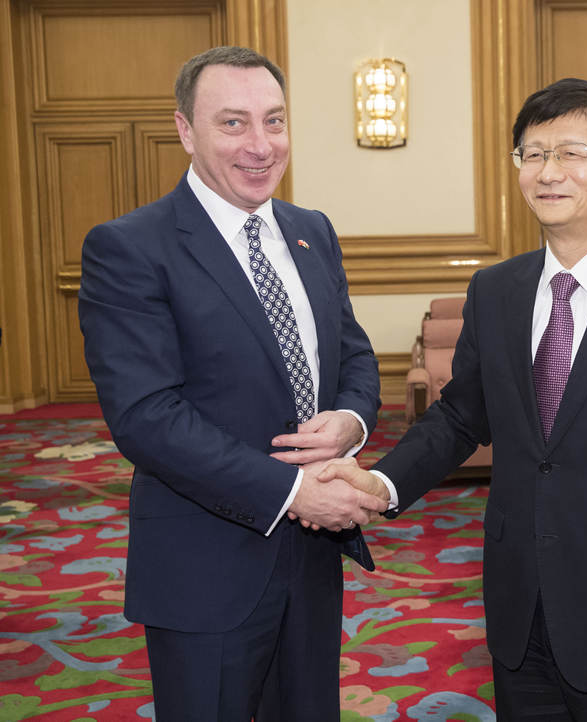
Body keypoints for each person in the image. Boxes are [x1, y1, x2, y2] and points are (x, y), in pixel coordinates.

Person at [313, 78, 587, 720]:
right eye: (532, 154)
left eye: (572, 153)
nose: (548, 171)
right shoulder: (496, 292)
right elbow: (462, 415)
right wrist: (382, 484)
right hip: (518, 605)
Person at [78, 46, 387, 721]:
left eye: (274, 120)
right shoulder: (129, 247)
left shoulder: (311, 231)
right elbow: (146, 416)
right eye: (233, 123)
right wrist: (295, 492)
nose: (260, 145)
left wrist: (350, 421)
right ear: (186, 130)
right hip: (205, 563)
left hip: (313, 559)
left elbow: (355, 356)